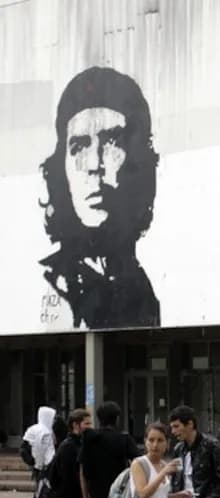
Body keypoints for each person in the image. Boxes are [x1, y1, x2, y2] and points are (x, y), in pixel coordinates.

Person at [37, 66, 161, 329]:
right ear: (62, 169)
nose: (94, 163)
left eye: (112, 141)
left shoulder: (141, 288)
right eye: (79, 147)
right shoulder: (46, 282)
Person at [24, 405, 57, 498]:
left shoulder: (32, 429)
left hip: (37, 467)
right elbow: (49, 453)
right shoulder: (46, 433)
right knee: (42, 495)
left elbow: (24, 448)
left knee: (38, 495)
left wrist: (32, 462)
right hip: (44, 468)